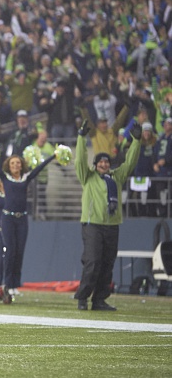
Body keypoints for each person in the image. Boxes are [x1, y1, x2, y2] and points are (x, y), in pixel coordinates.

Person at [74, 120, 141, 311]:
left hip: (112, 225)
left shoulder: (116, 178)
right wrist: (81, 137)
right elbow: (79, 160)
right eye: (100, 161)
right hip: (92, 224)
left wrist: (136, 141)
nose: (104, 164)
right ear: (95, 165)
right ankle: (83, 297)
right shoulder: (87, 177)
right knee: (93, 261)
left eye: (106, 161)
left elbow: (130, 163)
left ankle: (99, 300)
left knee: (107, 263)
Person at [0, 150, 56, 302]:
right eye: (12, 163)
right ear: (8, 166)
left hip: (22, 219)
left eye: (18, 163)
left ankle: (14, 284)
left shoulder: (26, 178)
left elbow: (39, 168)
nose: (16, 165)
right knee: (10, 251)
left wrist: (53, 156)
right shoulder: (5, 178)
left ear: (21, 165)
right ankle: (7, 284)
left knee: (19, 252)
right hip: (8, 219)